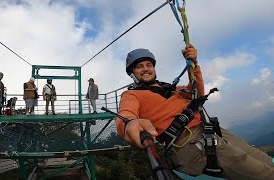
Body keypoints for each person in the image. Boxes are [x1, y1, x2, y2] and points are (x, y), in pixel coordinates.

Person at [115, 44, 274, 179]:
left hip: (209, 131)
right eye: (139, 66)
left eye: (148, 65)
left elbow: (197, 92)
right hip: (188, 143)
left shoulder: (172, 89)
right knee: (262, 173)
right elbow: (126, 114)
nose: (145, 69)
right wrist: (129, 124)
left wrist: (194, 64)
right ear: (132, 73)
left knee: (264, 159)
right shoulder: (131, 95)